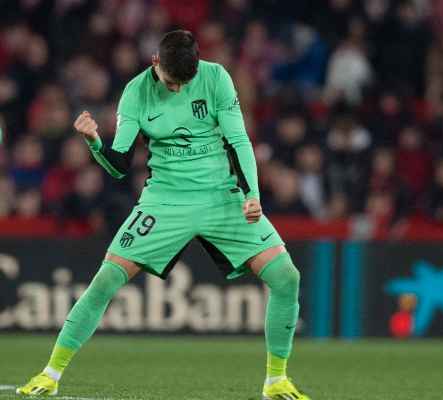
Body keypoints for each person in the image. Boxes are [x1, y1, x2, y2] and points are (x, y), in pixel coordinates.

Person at [17, 30, 309, 400]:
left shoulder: (217, 77)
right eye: (171, 83)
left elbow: (239, 140)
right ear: (155, 62)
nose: (177, 89)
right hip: (164, 201)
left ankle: (276, 381)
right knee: (105, 280)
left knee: (286, 277)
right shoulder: (136, 92)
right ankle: (50, 374)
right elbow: (119, 166)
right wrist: (94, 143)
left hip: (221, 197)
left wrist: (252, 194)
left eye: (184, 83)